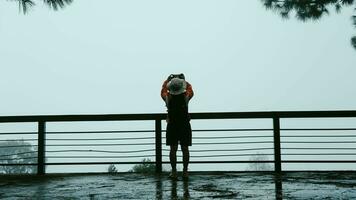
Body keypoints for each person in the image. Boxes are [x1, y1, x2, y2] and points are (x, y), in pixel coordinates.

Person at [161, 74, 193, 179]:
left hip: (172, 124)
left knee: (173, 149)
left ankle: (174, 172)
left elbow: (163, 89)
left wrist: (168, 79)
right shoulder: (186, 96)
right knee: (185, 148)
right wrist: (183, 80)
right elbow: (190, 88)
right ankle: (185, 172)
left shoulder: (167, 97)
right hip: (184, 124)